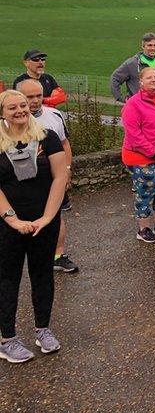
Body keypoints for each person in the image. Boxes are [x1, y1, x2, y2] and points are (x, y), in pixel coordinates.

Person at [0, 90, 69, 363]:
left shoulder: (47, 137)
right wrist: (13, 219)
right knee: (8, 279)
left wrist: (47, 217)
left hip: (43, 222)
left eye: (22, 105)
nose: (20, 110)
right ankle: (8, 338)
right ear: (2, 113)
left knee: (42, 275)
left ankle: (43, 329)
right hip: (8, 224)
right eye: (12, 107)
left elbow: (59, 178)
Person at [15, 79, 77, 274]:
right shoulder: (9, 120)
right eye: (29, 97)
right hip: (19, 184)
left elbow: (65, 143)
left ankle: (58, 256)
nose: (35, 101)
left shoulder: (54, 115)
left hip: (51, 180)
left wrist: (66, 169)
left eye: (39, 96)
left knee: (55, 216)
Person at [121, 67, 155, 244]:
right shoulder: (133, 104)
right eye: (149, 78)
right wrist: (153, 151)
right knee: (145, 191)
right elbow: (134, 134)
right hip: (140, 156)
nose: (154, 80)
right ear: (141, 82)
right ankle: (143, 228)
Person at [110, 32, 155, 102]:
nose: (153, 48)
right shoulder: (132, 63)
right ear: (143, 46)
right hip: (138, 106)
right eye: (149, 45)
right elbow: (115, 78)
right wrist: (120, 97)